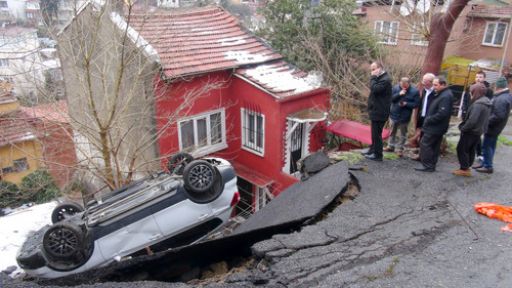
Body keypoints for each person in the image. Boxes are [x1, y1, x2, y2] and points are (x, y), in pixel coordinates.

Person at [415, 76, 454, 172]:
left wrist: (429, 119)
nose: (434, 87)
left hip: (435, 126)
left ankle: (427, 165)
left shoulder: (445, 96)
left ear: (443, 85)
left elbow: (442, 113)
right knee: (434, 145)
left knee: (425, 144)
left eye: (436, 85)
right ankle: (431, 164)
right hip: (437, 126)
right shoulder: (442, 94)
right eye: (433, 84)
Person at [452, 83, 491, 177]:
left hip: (471, 131)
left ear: (476, 92)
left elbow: (472, 120)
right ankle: (467, 166)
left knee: (462, 149)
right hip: (478, 131)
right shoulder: (486, 102)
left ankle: (464, 169)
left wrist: (463, 128)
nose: (470, 93)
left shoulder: (478, 104)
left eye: (471, 92)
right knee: (470, 149)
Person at [475, 77, 512, 174]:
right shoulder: (503, 96)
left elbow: (498, 116)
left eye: (495, 85)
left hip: (492, 128)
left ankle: (488, 166)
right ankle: (485, 163)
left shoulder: (501, 98)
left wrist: (486, 121)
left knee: (487, 146)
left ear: (498, 86)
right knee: (488, 145)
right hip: (495, 128)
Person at [363, 61, 392, 161]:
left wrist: (373, 77)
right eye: (371, 69)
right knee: (374, 132)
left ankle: (378, 155)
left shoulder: (385, 80)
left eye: (374, 69)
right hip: (376, 110)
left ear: (380, 68)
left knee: (377, 134)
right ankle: (372, 150)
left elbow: (375, 89)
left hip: (380, 111)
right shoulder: (381, 78)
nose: (372, 72)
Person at [385, 77, 420, 156]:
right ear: (399, 83)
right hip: (394, 114)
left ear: (409, 83)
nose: (403, 86)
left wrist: (406, 104)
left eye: (405, 85)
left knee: (403, 134)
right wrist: (399, 94)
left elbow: (416, 104)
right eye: (401, 85)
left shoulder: (414, 91)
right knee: (392, 132)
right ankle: (390, 146)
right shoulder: (396, 88)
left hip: (405, 116)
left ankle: (400, 149)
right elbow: (390, 99)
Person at [408, 73, 436, 159]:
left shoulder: (435, 92)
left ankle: (426, 156)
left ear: (431, 82)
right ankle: (421, 154)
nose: (422, 82)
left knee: (427, 138)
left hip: (430, 118)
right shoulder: (424, 90)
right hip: (422, 116)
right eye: (423, 80)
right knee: (421, 136)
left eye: (425, 81)